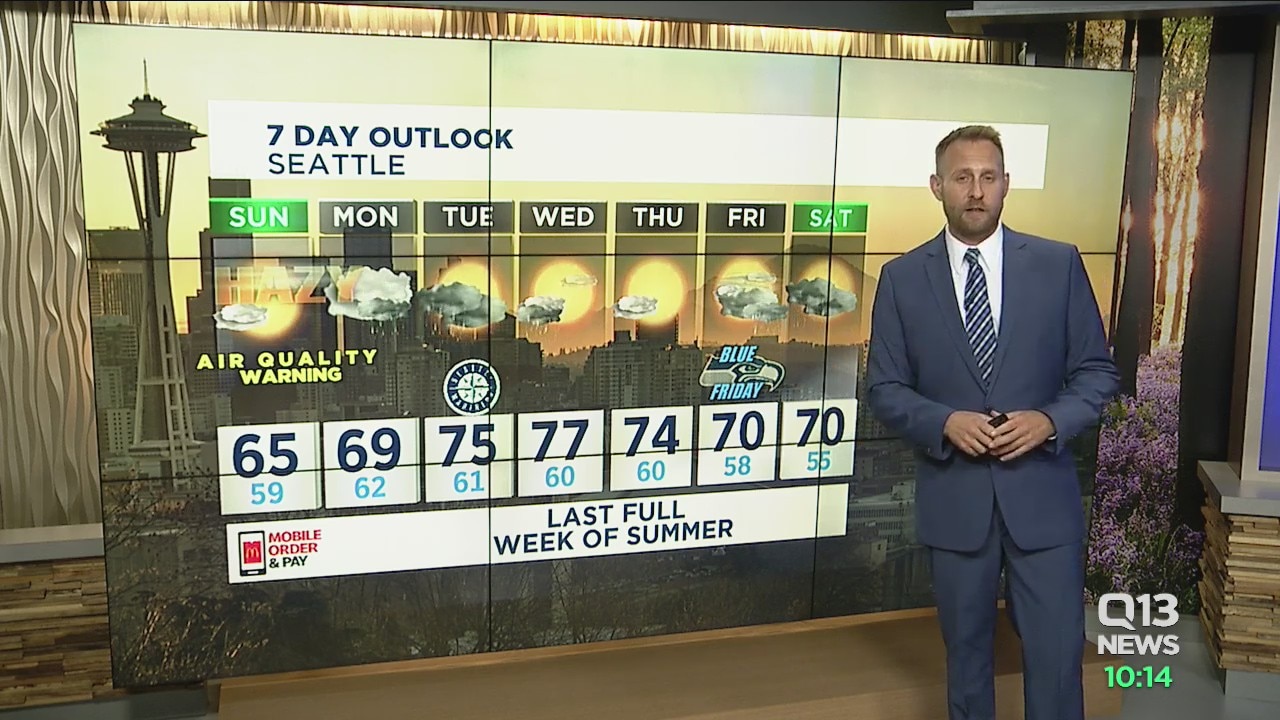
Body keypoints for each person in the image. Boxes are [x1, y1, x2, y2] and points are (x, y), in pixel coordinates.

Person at [865, 124, 1119, 720]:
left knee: (1057, 662)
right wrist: (945, 421)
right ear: (937, 186)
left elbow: (1096, 373)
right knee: (968, 663)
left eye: (988, 177)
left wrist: (1048, 421)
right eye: (962, 178)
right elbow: (885, 388)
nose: (976, 191)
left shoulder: (1058, 265)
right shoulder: (902, 279)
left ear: (1006, 184)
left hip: (1044, 504)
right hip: (957, 504)